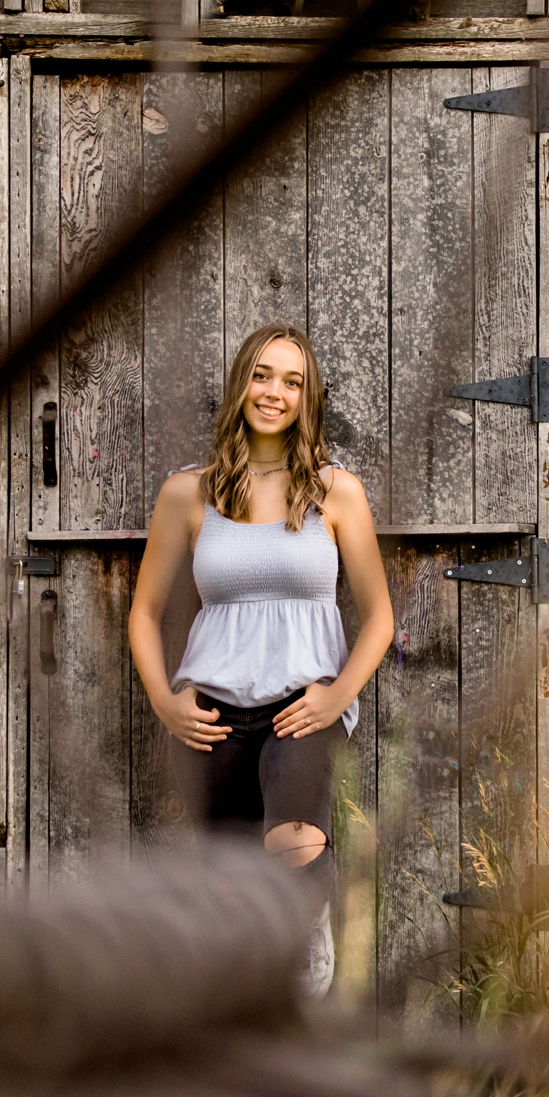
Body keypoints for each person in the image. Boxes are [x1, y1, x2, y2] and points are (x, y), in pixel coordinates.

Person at [126, 324, 395, 997]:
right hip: (213, 709)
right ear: (241, 383)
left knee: (295, 836)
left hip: (302, 704)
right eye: (263, 375)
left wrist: (338, 696)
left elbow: (379, 617)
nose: (275, 392)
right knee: (229, 865)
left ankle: (302, 944)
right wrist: (165, 702)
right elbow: (143, 612)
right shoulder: (188, 494)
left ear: (308, 399)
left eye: (292, 381)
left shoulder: (337, 492)